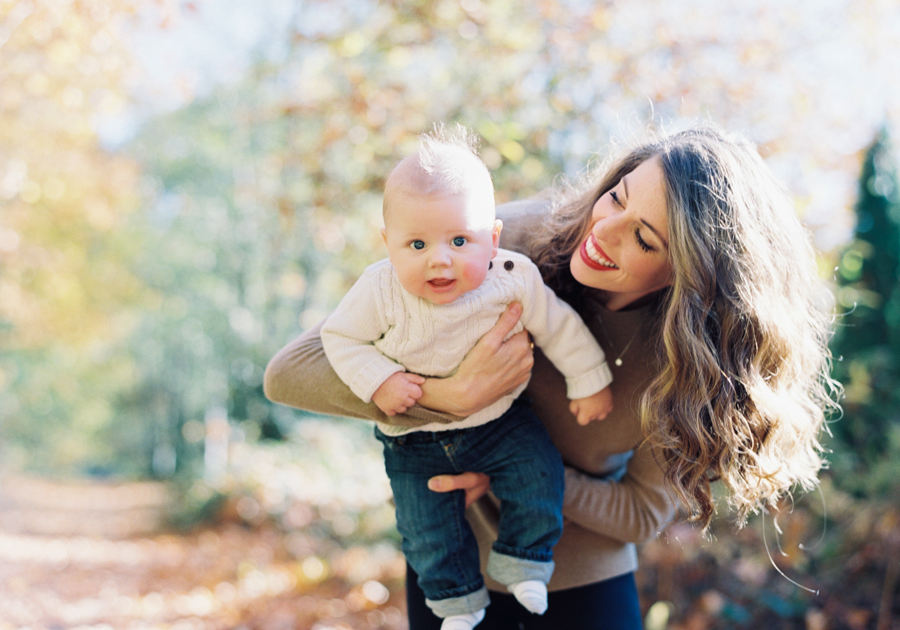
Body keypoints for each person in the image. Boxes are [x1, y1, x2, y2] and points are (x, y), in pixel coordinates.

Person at [265, 123, 838, 630]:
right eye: (616, 197)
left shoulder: (688, 362)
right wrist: (447, 398)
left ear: (693, 276)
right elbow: (292, 372)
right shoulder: (501, 246)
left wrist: (516, 475)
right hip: (453, 565)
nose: (605, 230)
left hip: (587, 578)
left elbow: (641, 513)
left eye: (643, 238)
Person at [319, 124, 614, 630]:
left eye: (460, 240)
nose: (439, 258)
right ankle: (456, 601)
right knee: (425, 527)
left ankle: (525, 559)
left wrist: (589, 378)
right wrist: (381, 379)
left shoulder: (511, 277)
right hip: (413, 439)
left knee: (538, 474)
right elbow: (340, 338)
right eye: (416, 244)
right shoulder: (379, 290)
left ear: (492, 239)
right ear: (387, 244)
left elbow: (558, 325)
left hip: (501, 420)